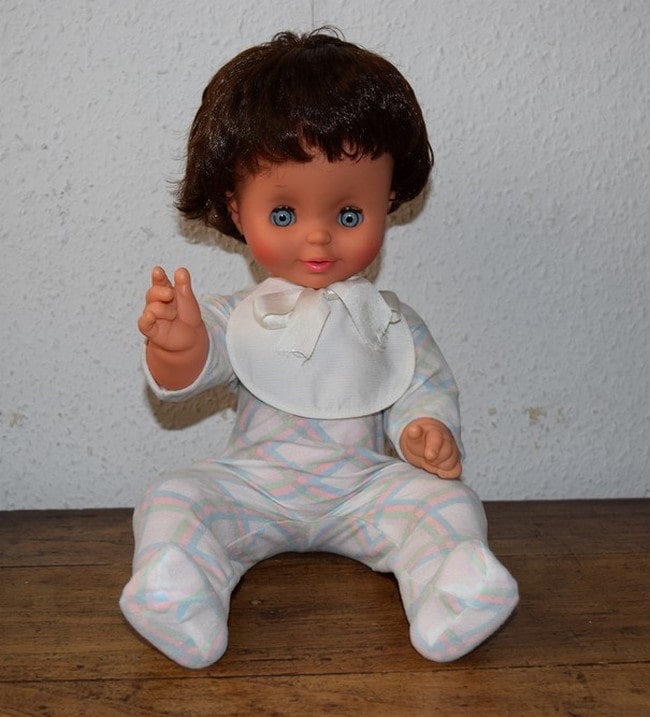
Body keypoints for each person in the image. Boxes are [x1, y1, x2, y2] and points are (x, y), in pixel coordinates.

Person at [120, 29, 518, 669]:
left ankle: (454, 593)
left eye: (349, 215)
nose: (317, 237)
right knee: (173, 495)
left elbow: (425, 388)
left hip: (366, 490)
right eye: (283, 214)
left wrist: (425, 430)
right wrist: (178, 344)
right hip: (253, 486)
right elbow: (191, 369)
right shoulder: (238, 315)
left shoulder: (391, 323)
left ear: (389, 201)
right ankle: (178, 596)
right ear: (236, 209)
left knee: (448, 503)